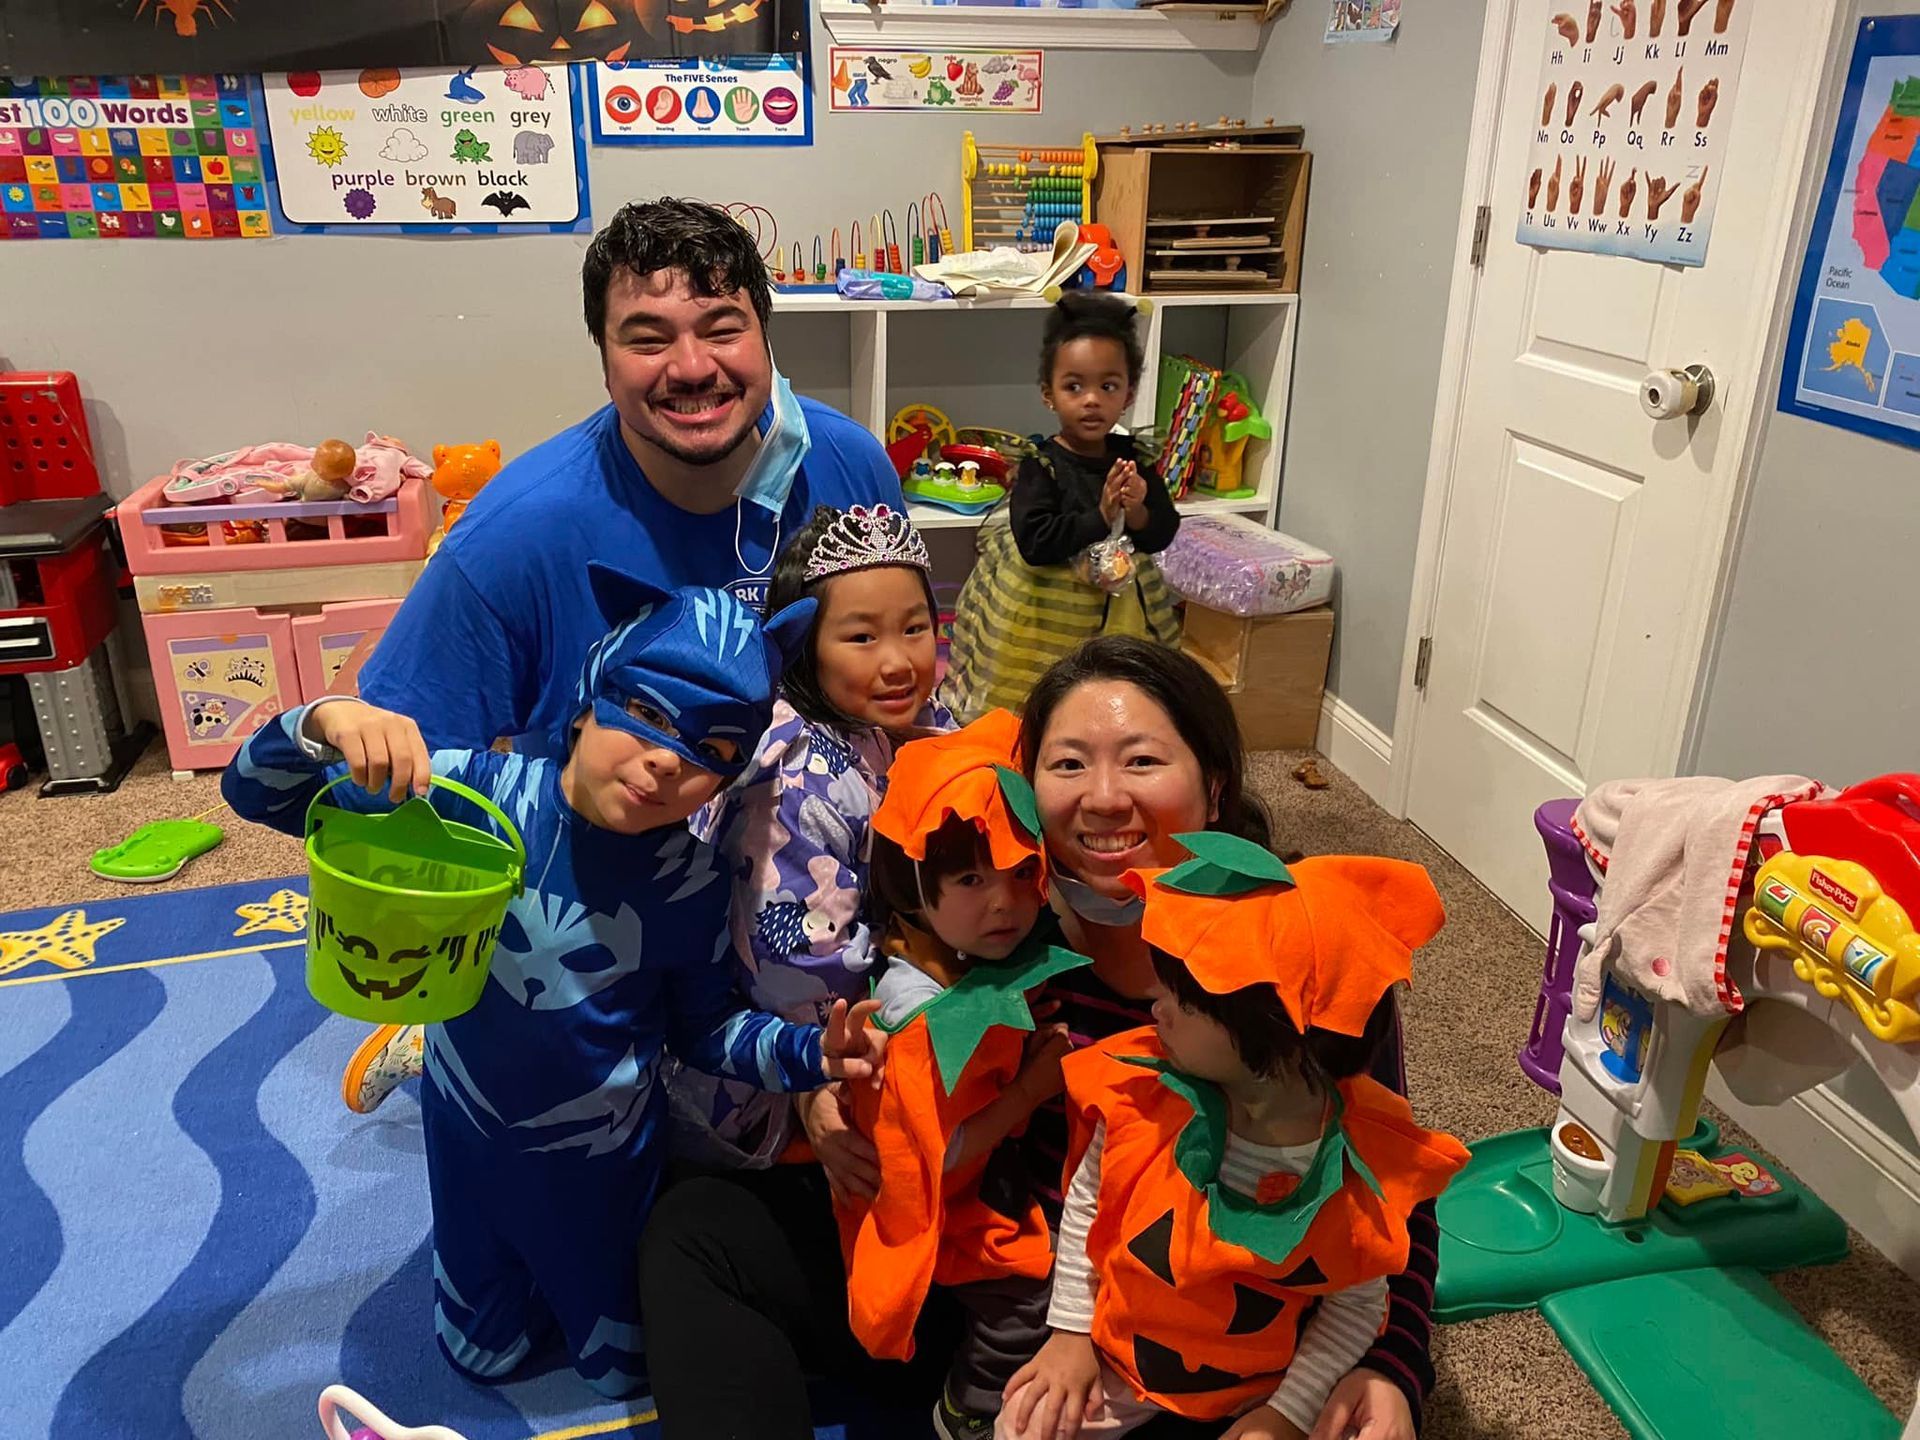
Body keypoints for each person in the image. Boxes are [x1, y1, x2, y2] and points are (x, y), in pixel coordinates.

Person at [222, 568, 881, 1397]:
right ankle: (417, 1057)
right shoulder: (468, 792)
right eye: (644, 714)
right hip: (465, 1152)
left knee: (622, 1376)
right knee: (478, 1359)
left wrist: (811, 1051)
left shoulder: (693, 879)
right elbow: (254, 792)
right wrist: (325, 719)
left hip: (601, 1176)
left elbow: (705, 1032)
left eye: (709, 752)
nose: (659, 763)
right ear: (588, 698)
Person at [338, 196, 904, 1114]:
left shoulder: (846, 468)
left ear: (766, 334)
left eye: (723, 327)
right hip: (608, 909)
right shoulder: (516, 538)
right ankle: (445, 1026)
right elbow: (394, 759)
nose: (692, 367)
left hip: (803, 875)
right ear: (603, 362)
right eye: (647, 338)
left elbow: (898, 673)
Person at [1013, 637, 1445, 1440]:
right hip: (1096, 1326)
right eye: (1068, 764)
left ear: (1214, 789)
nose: (1104, 797)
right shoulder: (1008, 949)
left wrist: (1390, 1366)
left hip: (1273, 1348)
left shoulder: (1306, 966)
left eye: (1141, 761)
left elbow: (1386, 1195)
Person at [998, 841, 1469, 1439]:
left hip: (1269, 1381)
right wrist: (1069, 1334)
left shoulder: (1358, 1158)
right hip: (1122, 1351)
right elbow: (1089, 1203)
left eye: (1180, 1000)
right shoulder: (1141, 1094)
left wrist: (1289, 1412)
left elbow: (1355, 1305)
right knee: (1025, 1423)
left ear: (1274, 1037)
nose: (1154, 1006)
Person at [669, 501, 951, 1171]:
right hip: (760, 1041)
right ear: (804, 651)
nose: (898, 661)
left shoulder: (911, 720)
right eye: (860, 638)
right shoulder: (797, 777)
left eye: (915, 629)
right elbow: (792, 964)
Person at [842, 709, 1084, 1440]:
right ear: (913, 891)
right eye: (973, 879)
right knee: (1029, 1303)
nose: (1005, 902)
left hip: (984, 1181)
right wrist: (1029, 1093)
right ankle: (967, 1411)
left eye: (1020, 872)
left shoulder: (955, 952)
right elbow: (932, 1156)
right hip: (933, 1208)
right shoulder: (911, 1017)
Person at [944, 294, 1181, 723]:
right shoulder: (1041, 465)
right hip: (1037, 617)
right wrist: (1102, 517)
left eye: (1107, 386)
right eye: (1075, 386)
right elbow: (1036, 542)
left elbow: (1161, 534)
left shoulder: (1135, 460)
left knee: (1119, 689)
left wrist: (1141, 508)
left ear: (1128, 393)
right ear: (1049, 395)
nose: (1091, 400)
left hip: (1120, 610)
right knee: (1033, 699)